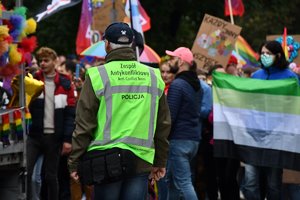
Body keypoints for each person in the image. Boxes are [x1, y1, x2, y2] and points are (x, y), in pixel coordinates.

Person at [68, 22, 171, 200]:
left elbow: (84, 123)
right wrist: (160, 160)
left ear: (106, 44)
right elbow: (163, 123)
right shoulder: (154, 75)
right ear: (132, 43)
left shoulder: (96, 75)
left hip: (105, 160)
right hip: (141, 158)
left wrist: (74, 161)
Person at [242, 40, 299, 200]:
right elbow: (248, 102)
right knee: (250, 182)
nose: (264, 56)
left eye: (268, 53)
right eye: (262, 53)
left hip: (276, 138)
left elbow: (295, 106)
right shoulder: (256, 76)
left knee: (273, 184)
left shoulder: (290, 77)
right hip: (254, 137)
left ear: (278, 55)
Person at [26, 47, 76, 200]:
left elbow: (70, 115)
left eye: (46, 60)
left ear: (54, 62)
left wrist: (67, 140)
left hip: (54, 138)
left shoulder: (66, 83)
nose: (42, 63)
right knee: (27, 173)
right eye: (40, 60)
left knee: (50, 176)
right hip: (34, 136)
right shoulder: (32, 80)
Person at [165, 47, 202, 200]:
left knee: (184, 183)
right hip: (192, 140)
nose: (169, 62)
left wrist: (160, 138)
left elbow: (170, 117)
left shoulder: (177, 85)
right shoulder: (197, 85)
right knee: (173, 182)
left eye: (172, 58)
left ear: (180, 62)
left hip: (179, 141)